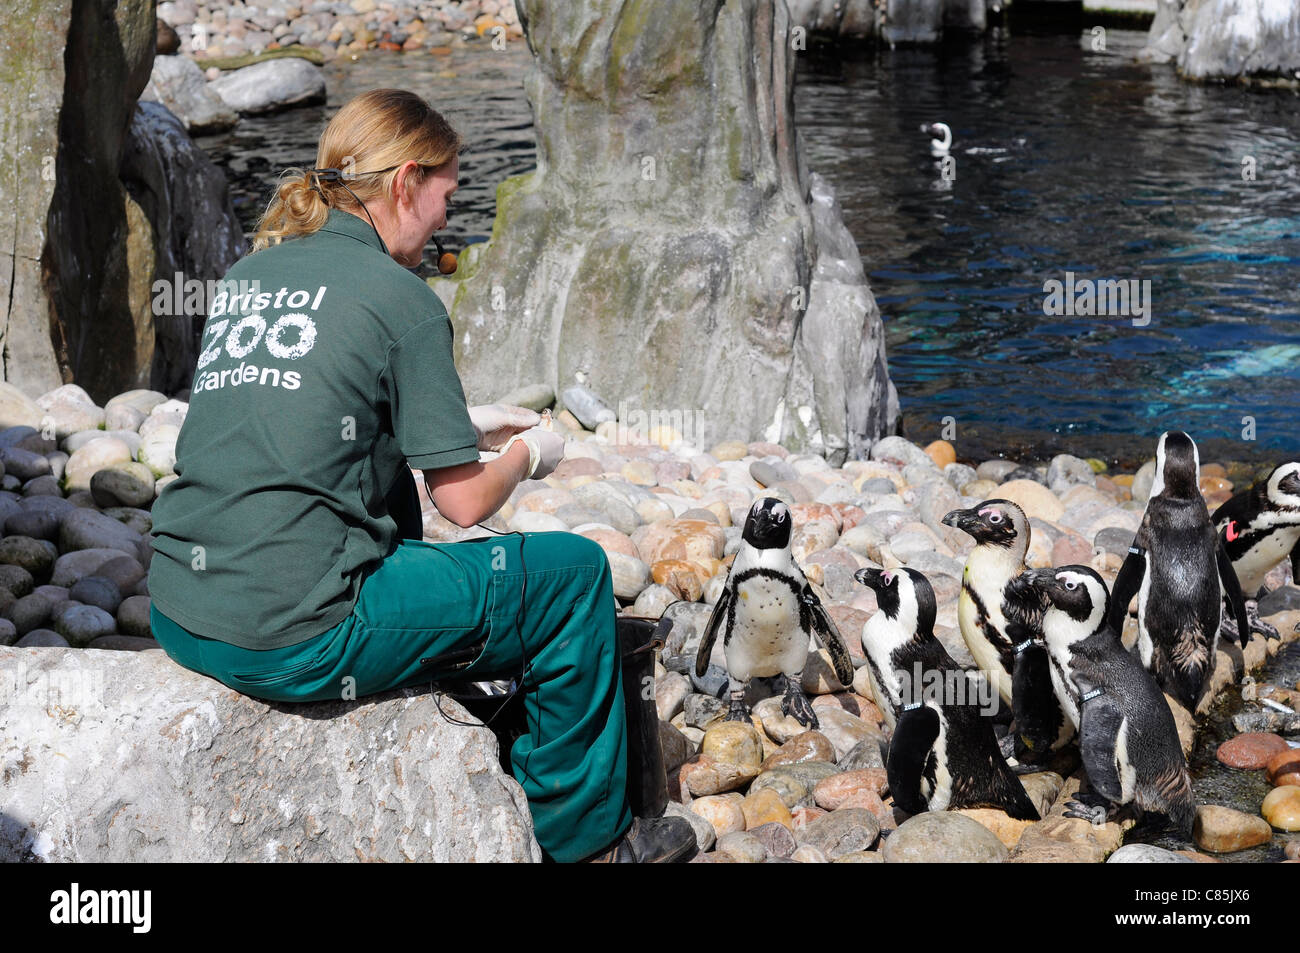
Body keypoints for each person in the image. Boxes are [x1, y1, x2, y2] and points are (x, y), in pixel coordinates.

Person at [147, 88, 693, 863]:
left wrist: (455, 424)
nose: (447, 217)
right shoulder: (403, 299)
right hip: (292, 632)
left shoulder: (250, 275)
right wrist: (528, 454)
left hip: (182, 605)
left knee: (393, 504)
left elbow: (295, 423)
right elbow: (464, 501)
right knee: (573, 576)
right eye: (446, 194)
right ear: (405, 182)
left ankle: (461, 693)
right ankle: (587, 842)